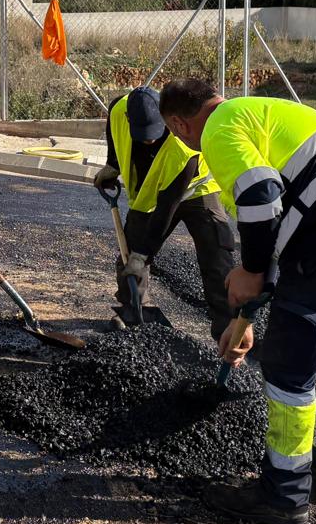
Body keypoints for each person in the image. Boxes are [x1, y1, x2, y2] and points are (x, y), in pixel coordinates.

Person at [160, 81, 316, 524]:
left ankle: (283, 494)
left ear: (179, 122)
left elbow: (259, 197)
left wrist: (251, 272)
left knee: (289, 371)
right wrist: (248, 313)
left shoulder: (218, 129)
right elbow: (282, 216)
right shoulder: (265, 114)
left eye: (175, 134)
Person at [94, 86, 235, 338]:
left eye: (154, 133)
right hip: (148, 195)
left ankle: (227, 326)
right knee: (130, 251)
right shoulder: (119, 109)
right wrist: (112, 165)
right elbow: (113, 130)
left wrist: (143, 254)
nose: (149, 140)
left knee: (216, 254)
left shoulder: (183, 150)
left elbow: (166, 210)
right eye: (143, 134)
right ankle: (135, 309)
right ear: (129, 119)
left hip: (197, 189)